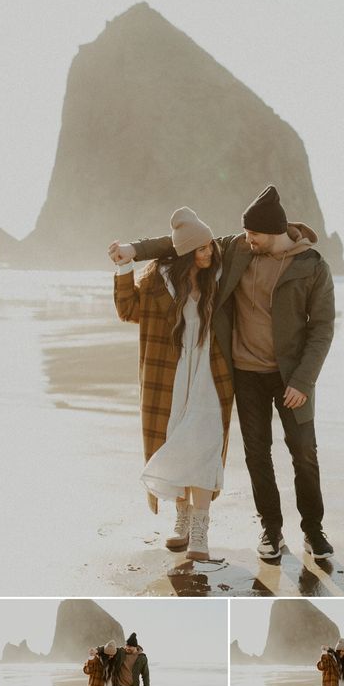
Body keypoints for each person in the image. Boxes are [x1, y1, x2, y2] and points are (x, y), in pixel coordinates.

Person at [110, 185, 335, 561]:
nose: (245, 240)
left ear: (274, 232)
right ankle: (271, 531)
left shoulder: (311, 266)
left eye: (253, 234)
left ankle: (313, 530)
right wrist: (132, 253)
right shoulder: (239, 250)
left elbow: (322, 327)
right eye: (245, 234)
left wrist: (303, 380)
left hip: (287, 377)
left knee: (304, 453)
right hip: (243, 374)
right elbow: (179, 243)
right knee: (256, 455)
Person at [110, 207, 233, 561]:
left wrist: (137, 245)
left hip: (211, 376)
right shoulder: (156, 282)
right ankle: (181, 518)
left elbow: (181, 242)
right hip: (171, 378)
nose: (208, 252)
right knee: (178, 444)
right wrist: (125, 265)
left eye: (209, 245)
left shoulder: (221, 274)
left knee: (207, 445)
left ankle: (200, 528)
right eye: (200, 248)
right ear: (183, 253)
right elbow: (126, 310)